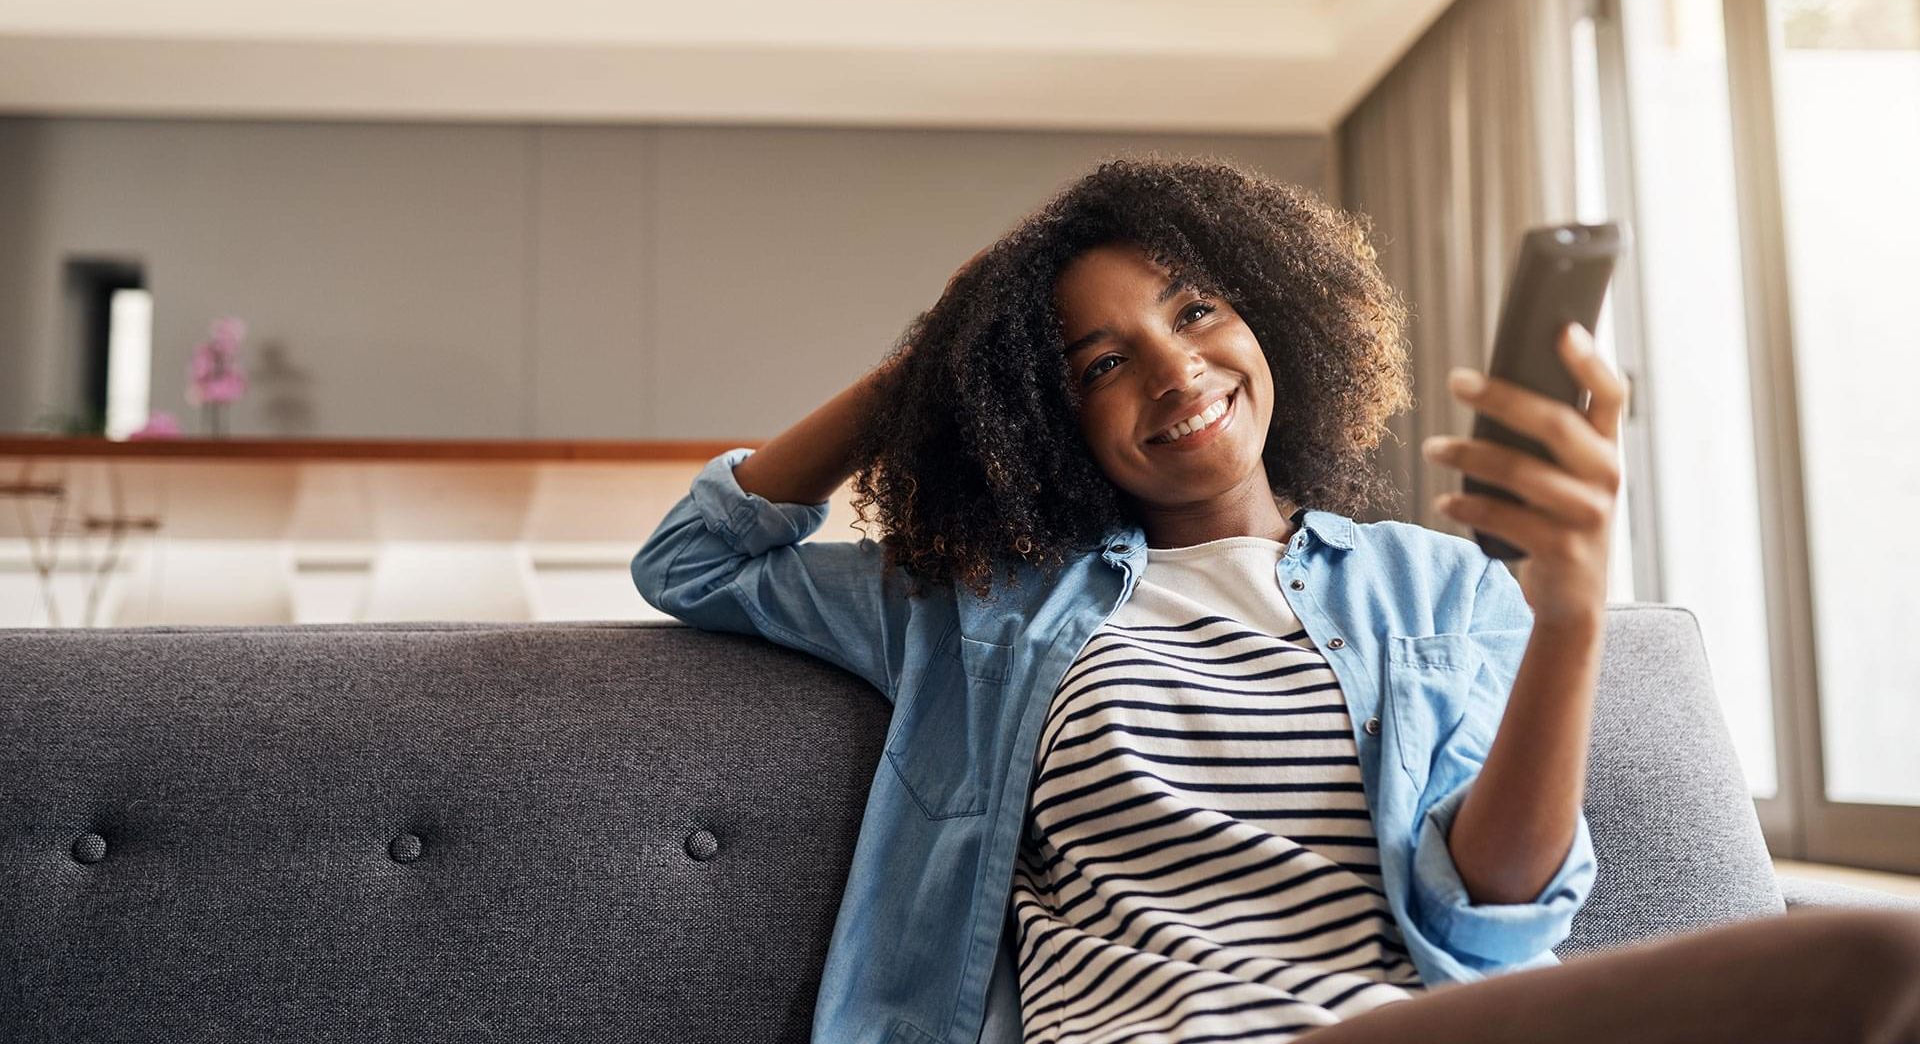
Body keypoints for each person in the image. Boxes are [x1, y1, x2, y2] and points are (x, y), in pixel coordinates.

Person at [632, 153, 1920, 1044]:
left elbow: (1488, 911)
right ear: (1043, 415)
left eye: (1197, 310)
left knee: (1884, 971)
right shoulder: (980, 605)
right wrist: (937, 356)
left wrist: (1570, 614)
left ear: (1274, 317)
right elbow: (697, 562)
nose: (1177, 369)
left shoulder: (1438, 585)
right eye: (1098, 362)